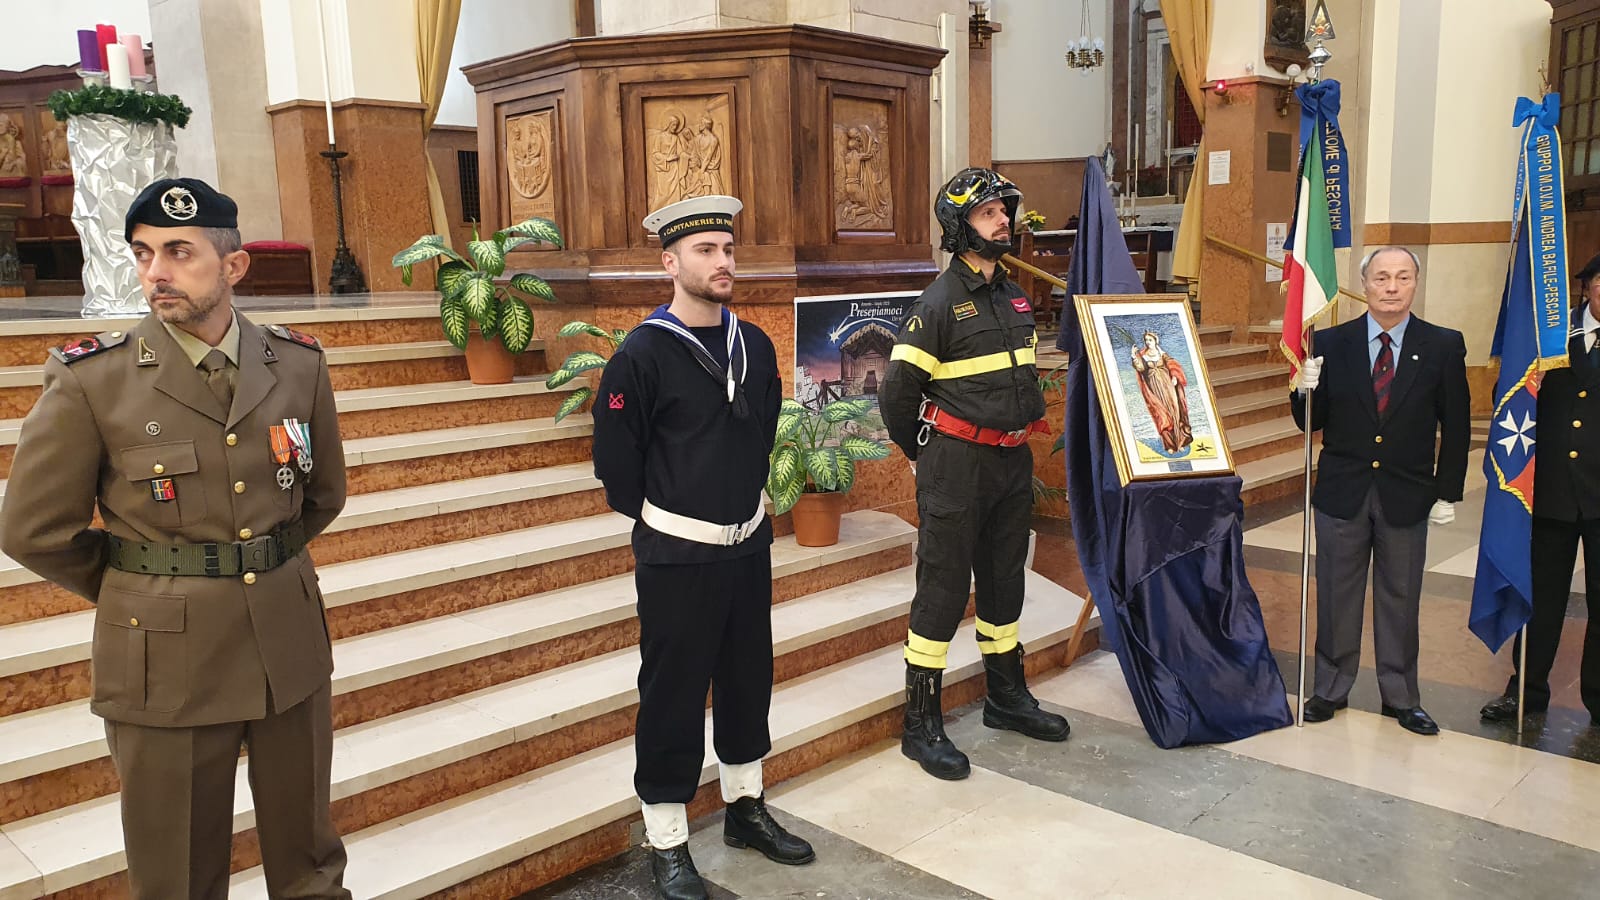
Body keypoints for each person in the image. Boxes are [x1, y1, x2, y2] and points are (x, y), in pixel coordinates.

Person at [0, 177, 350, 898]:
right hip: (163, 659)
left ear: (233, 265)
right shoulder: (95, 379)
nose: (156, 271)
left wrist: (256, 560)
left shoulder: (297, 363)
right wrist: (147, 581)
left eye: (179, 252)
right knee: (178, 877)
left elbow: (322, 496)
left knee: (311, 867)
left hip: (286, 642)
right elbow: (32, 528)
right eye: (143, 253)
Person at [591, 195, 814, 900]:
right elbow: (616, 467)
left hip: (746, 547)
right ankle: (667, 838)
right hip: (677, 556)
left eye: (728, 249)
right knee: (674, 694)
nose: (723, 262)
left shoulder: (756, 345)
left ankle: (746, 809)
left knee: (748, 680)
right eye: (705, 251)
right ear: (670, 262)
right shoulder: (641, 354)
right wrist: (673, 518)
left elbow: (762, 429)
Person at [879, 168, 1070, 782]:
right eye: (989, 213)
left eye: (1004, 211)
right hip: (956, 463)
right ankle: (920, 723)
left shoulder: (1015, 297)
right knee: (942, 587)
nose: (1003, 220)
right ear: (960, 227)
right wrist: (925, 456)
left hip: (1011, 462)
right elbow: (897, 394)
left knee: (1004, 579)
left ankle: (1005, 696)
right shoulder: (937, 303)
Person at [1291, 245, 1470, 735]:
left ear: (1415, 284)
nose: (1392, 287)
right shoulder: (1331, 342)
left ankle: (1401, 696)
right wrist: (1302, 388)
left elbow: (1456, 426)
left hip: (1407, 493)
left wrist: (1447, 491)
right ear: (1365, 285)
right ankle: (1330, 688)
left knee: (1401, 597)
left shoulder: (1443, 344)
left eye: (1403, 277)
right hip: (1342, 492)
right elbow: (1311, 421)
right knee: (1336, 594)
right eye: (1382, 277)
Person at [1480, 252, 1600, 728]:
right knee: (1542, 599)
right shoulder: (1547, 336)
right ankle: (1526, 690)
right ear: (1586, 286)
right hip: (1549, 492)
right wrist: (1531, 381)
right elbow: (1507, 399)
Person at [1130, 330, 1193, 453]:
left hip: (1168, 386)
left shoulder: (1161, 353)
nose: (1148, 342)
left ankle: (1180, 442)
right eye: (1146, 340)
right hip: (1154, 387)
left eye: (1150, 340)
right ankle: (1169, 445)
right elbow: (1140, 368)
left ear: (1156, 341)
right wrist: (1133, 355)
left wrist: (1174, 376)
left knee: (1175, 412)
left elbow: (1172, 364)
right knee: (1162, 414)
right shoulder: (1143, 355)